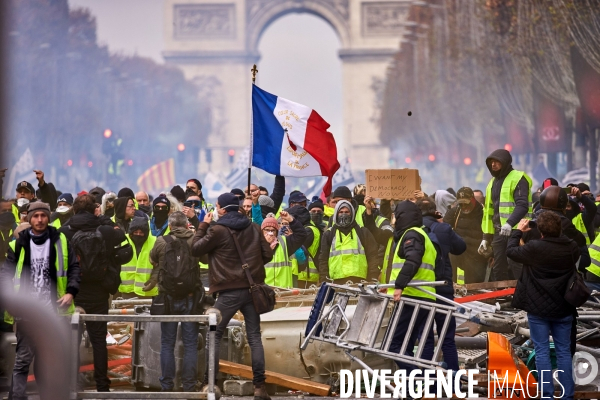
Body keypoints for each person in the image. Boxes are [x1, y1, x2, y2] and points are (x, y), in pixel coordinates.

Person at [191, 193, 273, 400]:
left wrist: (202, 225)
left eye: (217, 207)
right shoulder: (254, 228)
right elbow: (267, 255)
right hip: (252, 290)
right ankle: (259, 387)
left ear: (224, 210)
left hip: (228, 292)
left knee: (214, 335)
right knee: (254, 337)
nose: (216, 211)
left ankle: (211, 384)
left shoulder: (217, 230)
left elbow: (195, 248)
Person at [1, 202, 80, 400]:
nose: (39, 220)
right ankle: (17, 397)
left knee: (49, 361)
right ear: (29, 219)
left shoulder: (61, 240)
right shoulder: (17, 244)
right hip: (27, 314)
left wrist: (70, 292)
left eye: (43, 216)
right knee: (22, 361)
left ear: (48, 217)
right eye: (35, 216)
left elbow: (74, 269)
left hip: (55, 313)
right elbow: (5, 275)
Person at [59, 194, 125, 392]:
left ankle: (73, 383)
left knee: (72, 341)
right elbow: (123, 246)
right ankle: (102, 384)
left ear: (74, 210)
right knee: (98, 341)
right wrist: (103, 218)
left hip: (74, 293)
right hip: (99, 293)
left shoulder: (64, 232)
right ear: (94, 209)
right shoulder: (104, 230)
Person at [507, 212, 577, 400]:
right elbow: (568, 241)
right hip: (564, 307)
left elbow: (511, 251)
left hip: (538, 309)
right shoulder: (571, 247)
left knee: (542, 352)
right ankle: (567, 395)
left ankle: (546, 395)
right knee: (563, 352)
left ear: (540, 230)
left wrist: (518, 232)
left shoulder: (534, 248)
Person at [147, 211, 201, 393]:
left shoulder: (161, 241)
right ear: (186, 225)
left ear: (170, 225)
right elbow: (207, 259)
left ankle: (167, 386)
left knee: (167, 343)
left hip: (167, 298)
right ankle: (189, 385)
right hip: (190, 298)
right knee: (190, 343)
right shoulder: (194, 240)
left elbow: (153, 258)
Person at [387, 200, 438, 374]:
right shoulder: (421, 234)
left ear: (402, 217)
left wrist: (399, 286)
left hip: (411, 297)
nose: (393, 220)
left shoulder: (411, 235)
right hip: (422, 297)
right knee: (405, 348)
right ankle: (413, 387)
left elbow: (413, 260)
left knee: (393, 346)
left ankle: (418, 380)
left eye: (396, 216)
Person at [417, 198, 465, 372]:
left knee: (425, 338)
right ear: (434, 211)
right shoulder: (443, 228)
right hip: (444, 289)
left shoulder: (413, 230)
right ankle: (453, 385)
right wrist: (444, 225)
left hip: (424, 290)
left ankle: (427, 386)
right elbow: (461, 247)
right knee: (447, 339)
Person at [478, 149, 532, 281]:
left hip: (516, 229)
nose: (493, 165)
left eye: (497, 161)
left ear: (505, 162)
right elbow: (489, 212)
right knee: (498, 266)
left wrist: (510, 223)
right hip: (498, 231)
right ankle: (502, 296)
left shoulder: (518, 178)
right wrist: (486, 237)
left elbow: (522, 205)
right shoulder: (492, 182)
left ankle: (524, 291)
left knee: (515, 263)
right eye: (491, 162)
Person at [318, 200, 379, 283]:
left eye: (347, 212)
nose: (344, 214)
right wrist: (324, 279)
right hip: (336, 281)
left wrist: (373, 276)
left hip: (359, 281)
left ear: (352, 213)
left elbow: (372, 256)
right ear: (336, 214)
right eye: (341, 212)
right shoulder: (329, 234)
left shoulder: (363, 232)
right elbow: (323, 259)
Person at [444, 187, 489, 283]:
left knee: (475, 284)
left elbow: (491, 232)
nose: (464, 207)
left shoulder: (483, 213)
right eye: (461, 204)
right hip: (458, 255)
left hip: (476, 256)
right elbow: (443, 228)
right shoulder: (455, 212)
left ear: (473, 199)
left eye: (466, 203)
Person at [260, 211, 307, 288]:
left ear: (277, 231)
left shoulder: (285, 243)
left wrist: (291, 220)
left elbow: (301, 235)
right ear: (262, 231)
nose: (270, 233)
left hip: (284, 291)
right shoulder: (257, 245)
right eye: (267, 230)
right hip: (265, 291)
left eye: (273, 230)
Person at [118, 216, 157, 298]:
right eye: (135, 232)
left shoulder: (155, 241)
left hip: (147, 291)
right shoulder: (122, 240)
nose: (138, 234)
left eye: (141, 232)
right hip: (127, 290)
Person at [287, 205, 321, 287]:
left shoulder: (308, 231)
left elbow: (295, 246)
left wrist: (290, 236)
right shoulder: (310, 228)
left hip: (306, 275)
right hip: (304, 274)